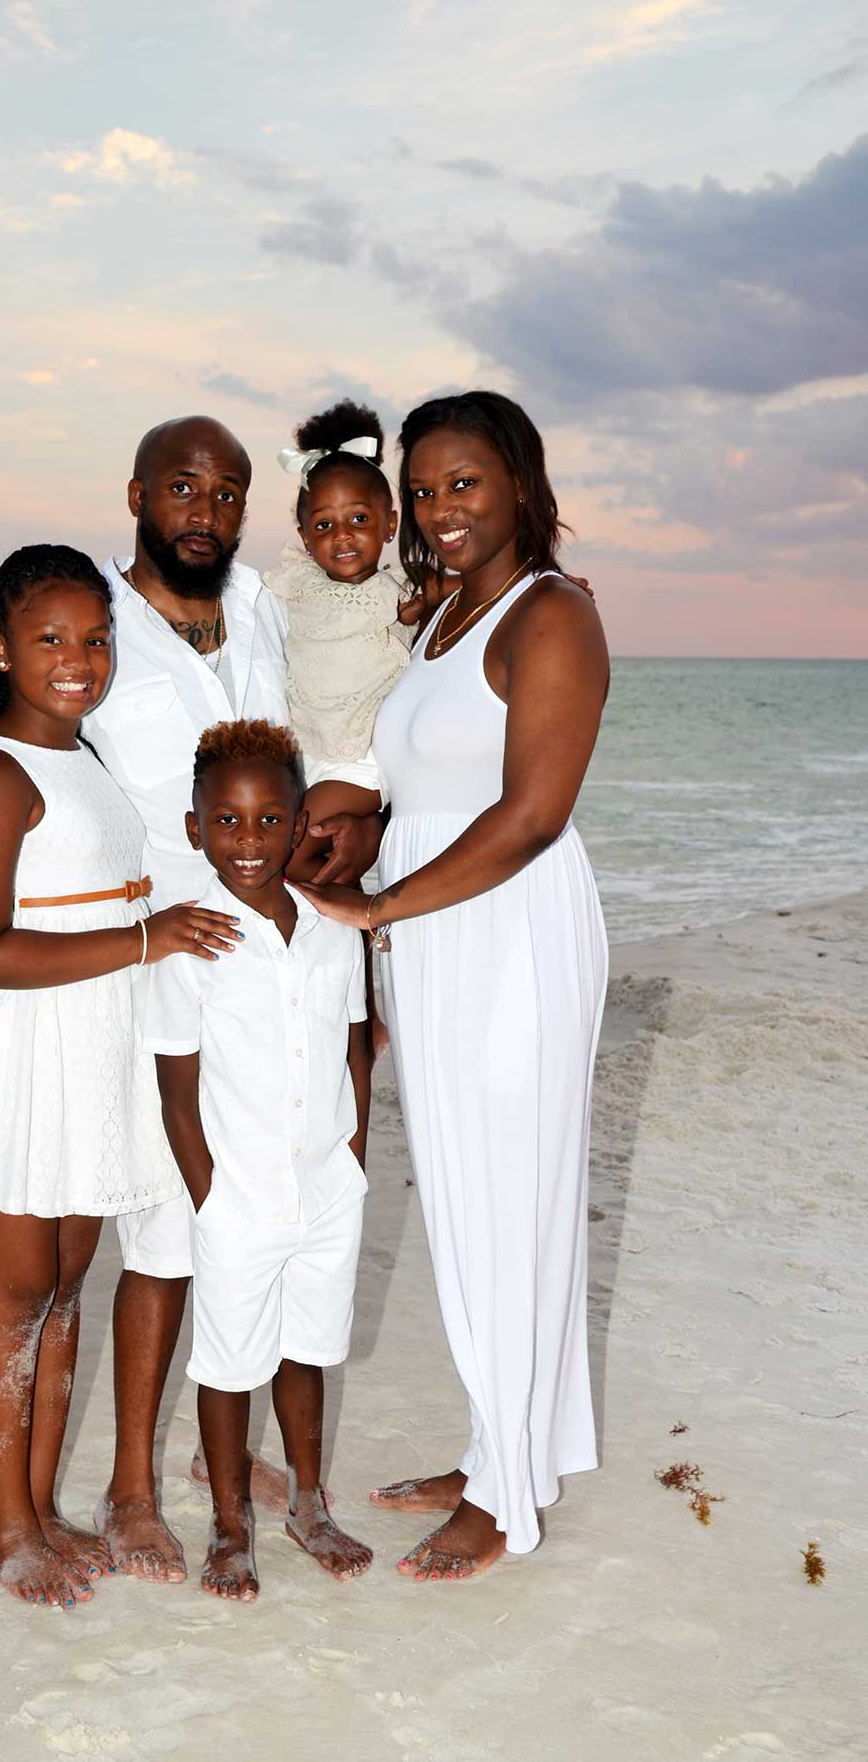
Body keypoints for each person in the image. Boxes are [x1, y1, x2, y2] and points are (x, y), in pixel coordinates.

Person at [0, 419, 385, 1584]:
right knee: (168, 1226)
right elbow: (19, 763)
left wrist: (353, 836)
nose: (206, 509)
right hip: (146, 966)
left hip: (270, 954)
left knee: (265, 1203)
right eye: (184, 487)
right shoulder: (102, 626)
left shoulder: (263, 607)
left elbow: (339, 706)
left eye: (228, 492)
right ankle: (131, 1488)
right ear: (138, 494)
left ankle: (217, 1452)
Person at [293, 391, 610, 1581]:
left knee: (508, 1203)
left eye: (463, 483)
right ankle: (501, 1452)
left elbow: (530, 815)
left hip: (510, 930)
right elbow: (418, 789)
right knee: (473, 1203)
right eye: (421, 490)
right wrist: (354, 856)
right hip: (436, 932)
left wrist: (377, 908)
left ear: (520, 480)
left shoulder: (552, 615)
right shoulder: (438, 617)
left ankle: (508, 1499)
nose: (439, 510)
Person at [0, 545, 241, 1608]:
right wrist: (146, 939)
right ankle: (1, 1527)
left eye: (96, 639)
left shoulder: (84, 758)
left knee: (62, 1289)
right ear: (0, 650)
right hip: (14, 1056)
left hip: (87, 1048)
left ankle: (41, 1504)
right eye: (50, 638)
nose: (77, 659)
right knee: (13, 1295)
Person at [146, 720, 374, 1602]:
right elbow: (177, 1090)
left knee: (308, 1351)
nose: (250, 840)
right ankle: (231, 1524)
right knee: (229, 1364)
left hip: (327, 1189)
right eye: (228, 822)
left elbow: (355, 1050)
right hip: (237, 1197)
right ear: (195, 827)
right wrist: (212, 1199)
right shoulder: (192, 944)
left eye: (271, 820)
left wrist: (353, 1159)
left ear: (300, 823)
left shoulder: (334, 929)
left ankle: (309, 1507)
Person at [264, 399, 417, 883]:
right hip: (305, 753)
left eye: (359, 520)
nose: (343, 536)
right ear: (306, 538)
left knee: (290, 851)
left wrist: (534, 581)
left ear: (390, 524)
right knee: (314, 858)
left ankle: (358, 912)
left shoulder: (399, 594)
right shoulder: (298, 584)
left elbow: (469, 589)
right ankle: (349, 919)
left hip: (362, 762)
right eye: (324, 525)